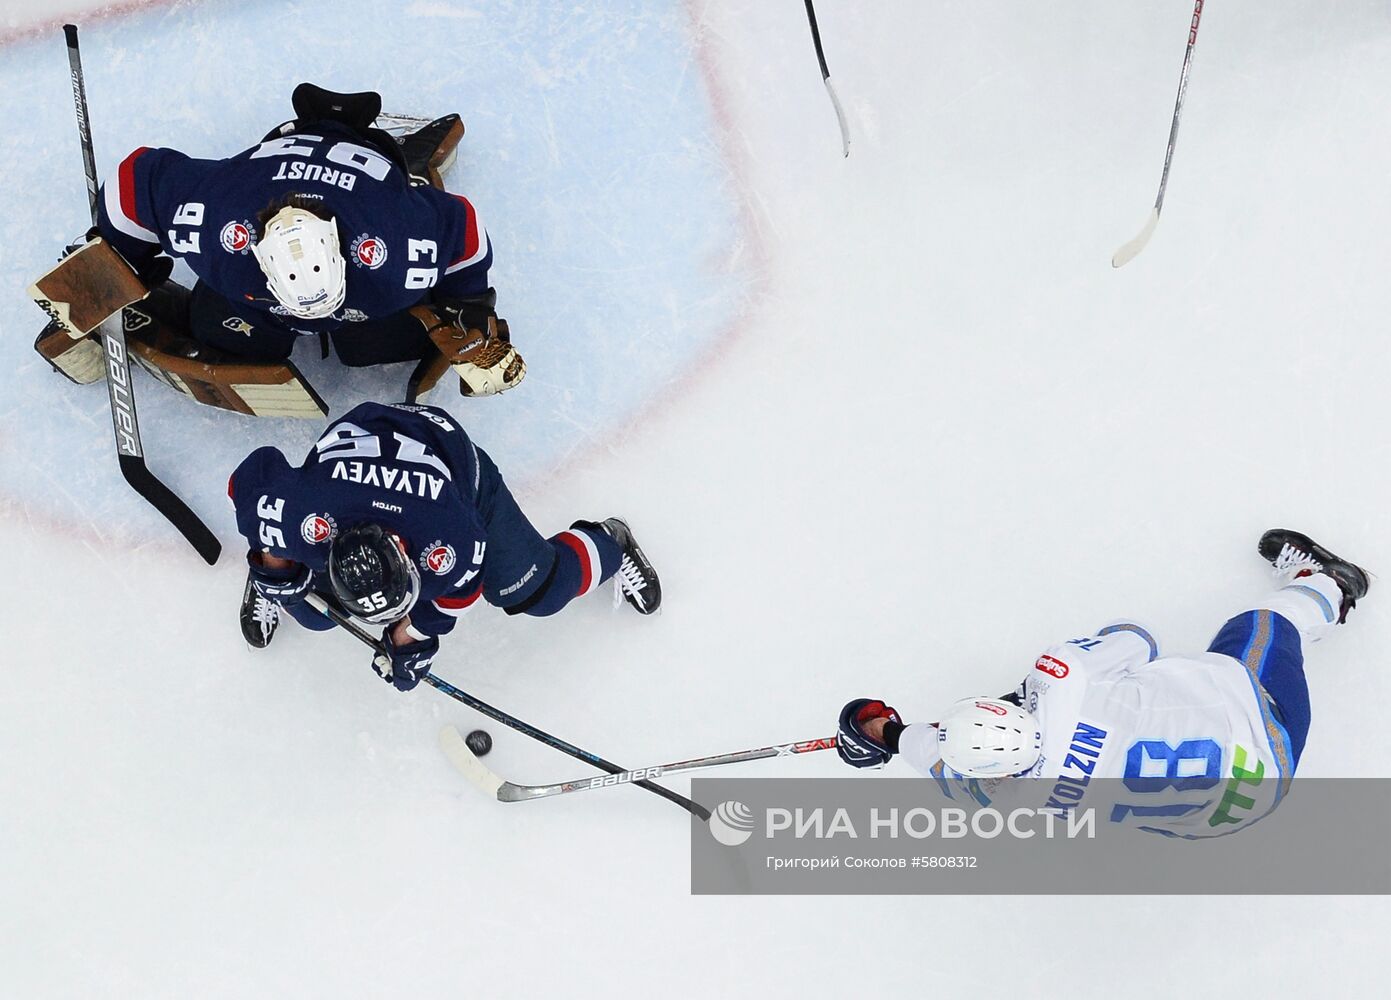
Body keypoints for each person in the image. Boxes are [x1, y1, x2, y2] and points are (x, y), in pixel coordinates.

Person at [834, 530, 1369, 838]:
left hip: (1240, 810)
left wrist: (879, 737)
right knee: (1263, 627)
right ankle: (1333, 585)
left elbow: (924, 751)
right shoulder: (1062, 681)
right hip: (1263, 734)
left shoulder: (997, 795)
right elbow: (1138, 638)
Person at [82, 83, 521, 388]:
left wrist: (470, 306)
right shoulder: (221, 225)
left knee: (377, 346)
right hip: (267, 180)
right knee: (222, 333)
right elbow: (135, 179)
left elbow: (460, 225)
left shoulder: (392, 247)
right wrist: (112, 263)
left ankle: (385, 146)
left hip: (366, 178)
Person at [229, 401, 659, 690]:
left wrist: (409, 637)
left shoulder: (450, 543)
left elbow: (454, 598)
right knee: (316, 615)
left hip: (457, 470)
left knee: (537, 592)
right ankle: (268, 584)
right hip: (353, 472)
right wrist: (273, 562)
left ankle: (611, 543)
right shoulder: (299, 516)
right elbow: (247, 478)